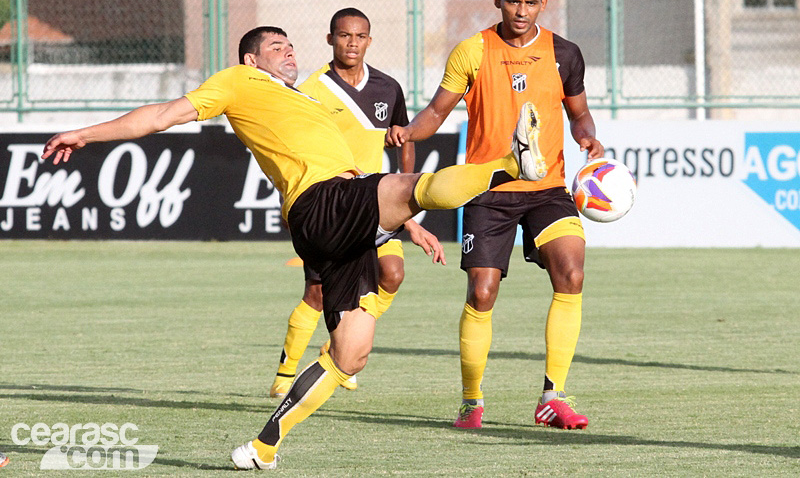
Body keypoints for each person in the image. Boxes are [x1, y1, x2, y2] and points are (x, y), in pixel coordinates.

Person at [42, 25, 542, 470]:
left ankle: (261, 447)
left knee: (351, 354)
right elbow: (161, 115)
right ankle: (513, 164)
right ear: (251, 60)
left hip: (340, 218)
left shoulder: (304, 99)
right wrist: (86, 134)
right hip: (322, 201)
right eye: (275, 46)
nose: (289, 52)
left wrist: (406, 226)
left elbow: (363, 179)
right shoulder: (238, 82)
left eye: (291, 45)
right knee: (416, 183)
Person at [386, 0, 604, 430]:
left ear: (543, 3)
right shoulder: (473, 50)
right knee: (482, 294)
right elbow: (436, 112)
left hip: (547, 187)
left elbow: (580, 115)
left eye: (530, 2)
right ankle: (471, 401)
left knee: (572, 272)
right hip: (488, 187)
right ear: (497, 0)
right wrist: (408, 132)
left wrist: (588, 138)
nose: (521, 11)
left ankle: (553, 396)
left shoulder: (564, 53)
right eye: (512, 1)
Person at [268, 8, 440, 399]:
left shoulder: (388, 88)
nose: (352, 43)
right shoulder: (311, 89)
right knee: (317, 293)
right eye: (344, 36)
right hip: (329, 205)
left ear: (369, 40)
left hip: (376, 200)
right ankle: (285, 373)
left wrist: (407, 200)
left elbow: (405, 138)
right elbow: (290, 150)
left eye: (360, 36)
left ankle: (339, 351)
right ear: (330, 39)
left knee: (392, 274)